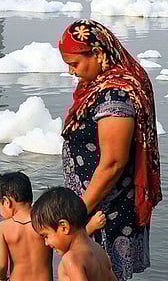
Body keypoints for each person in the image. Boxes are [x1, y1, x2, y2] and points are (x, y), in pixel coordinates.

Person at [58, 19, 162, 280]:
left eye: (75, 64)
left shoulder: (116, 93)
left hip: (105, 209)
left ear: (97, 53)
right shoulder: (101, 85)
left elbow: (113, 162)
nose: (72, 72)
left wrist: (77, 214)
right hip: (95, 203)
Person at [0, 171, 105, 281]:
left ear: (6, 201)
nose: (0, 212)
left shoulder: (4, 228)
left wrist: (0, 278)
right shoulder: (43, 223)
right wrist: (91, 226)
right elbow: (71, 238)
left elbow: (1, 265)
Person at [31, 186, 117, 281]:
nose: (46, 243)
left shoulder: (71, 259)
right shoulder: (98, 250)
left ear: (64, 227)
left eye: (46, 236)